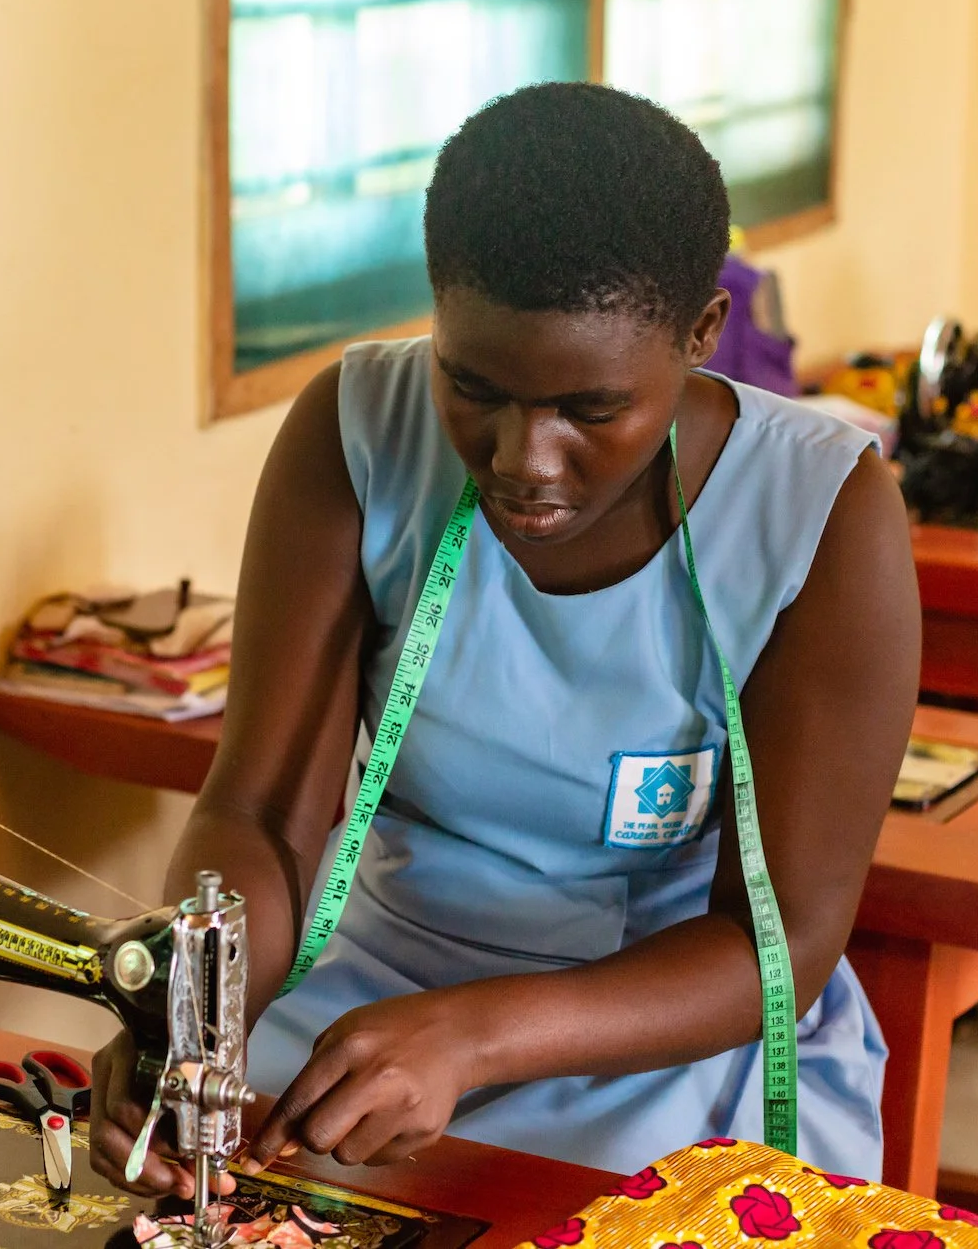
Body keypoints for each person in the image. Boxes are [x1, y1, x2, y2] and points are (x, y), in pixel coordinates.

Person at [89, 82, 921, 1193]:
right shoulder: (353, 432)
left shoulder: (821, 513)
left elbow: (777, 945)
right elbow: (259, 812)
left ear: (701, 334)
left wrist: (473, 1035)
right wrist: (190, 1009)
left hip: (664, 1034)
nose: (523, 459)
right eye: (471, 386)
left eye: (588, 409)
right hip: (370, 998)